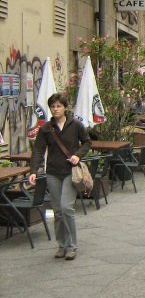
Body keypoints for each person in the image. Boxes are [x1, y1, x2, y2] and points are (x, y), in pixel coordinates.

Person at [27, 92, 91, 261]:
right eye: (53, 107)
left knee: (66, 208)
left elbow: (87, 142)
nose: (55, 109)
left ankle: (72, 246)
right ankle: (62, 244)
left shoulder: (76, 125)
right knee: (57, 211)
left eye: (58, 106)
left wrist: (78, 155)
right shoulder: (46, 129)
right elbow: (38, 150)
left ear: (65, 107)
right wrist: (33, 171)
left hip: (71, 172)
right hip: (53, 173)